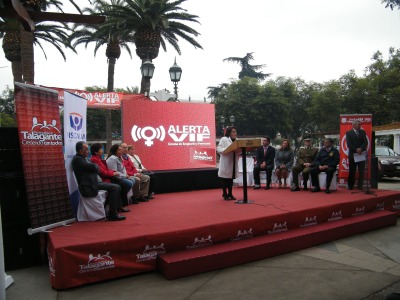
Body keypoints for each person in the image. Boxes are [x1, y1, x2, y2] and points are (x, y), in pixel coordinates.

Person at [71, 141, 125, 221]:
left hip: (94, 183)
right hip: (89, 186)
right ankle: (112, 214)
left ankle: (110, 210)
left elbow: (96, 168)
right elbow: (95, 167)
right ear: (80, 151)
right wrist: (95, 166)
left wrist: (95, 167)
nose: (88, 151)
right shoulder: (78, 160)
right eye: (86, 149)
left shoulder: (83, 159)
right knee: (115, 187)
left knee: (116, 186)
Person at [90, 143, 132, 210]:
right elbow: (103, 172)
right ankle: (116, 208)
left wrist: (113, 173)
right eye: (101, 149)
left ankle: (119, 206)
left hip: (108, 177)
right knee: (122, 185)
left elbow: (106, 170)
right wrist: (113, 173)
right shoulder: (95, 160)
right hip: (104, 179)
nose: (102, 151)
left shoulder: (99, 159)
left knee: (126, 183)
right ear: (96, 152)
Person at [216, 126, 240, 200]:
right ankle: (224, 193)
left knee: (231, 179)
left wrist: (239, 151)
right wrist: (228, 149)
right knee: (225, 179)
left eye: (235, 132)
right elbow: (219, 149)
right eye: (233, 132)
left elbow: (239, 151)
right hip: (226, 161)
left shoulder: (237, 140)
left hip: (233, 161)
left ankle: (230, 193)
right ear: (229, 132)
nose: (235, 133)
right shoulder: (224, 139)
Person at [346, 119, 368, 190]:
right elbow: (349, 144)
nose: (360, 125)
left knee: (361, 171)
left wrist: (361, 148)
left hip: (361, 154)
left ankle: (360, 185)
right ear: (354, 125)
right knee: (352, 171)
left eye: (360, 124)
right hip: (353, 154)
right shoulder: (349, 133)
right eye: (358, 124)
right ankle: (350, 185)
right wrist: (356, 149)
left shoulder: (363, 132)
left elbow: (365, 142)